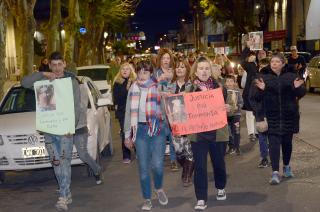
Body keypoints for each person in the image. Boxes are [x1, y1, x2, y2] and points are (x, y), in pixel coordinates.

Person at [21, 51, 82, 211]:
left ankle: (63, 195)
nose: (56, 68)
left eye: (59, 64)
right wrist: (42, 74)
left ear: (64, 64)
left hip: (65, 130)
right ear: (49, 65)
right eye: (53, 65)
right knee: (56, 163)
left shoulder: (71, 80)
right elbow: (24, 82)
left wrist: (71, 127)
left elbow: (77, 107)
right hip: (49, 129)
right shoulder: (43, 78)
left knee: (64, 162)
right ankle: (66, 191)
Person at [251, 53, 306, 185]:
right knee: (274, 144)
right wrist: (261, 90)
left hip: (289, 115)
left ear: (283, 63)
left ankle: (286, 166)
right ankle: (275, 172)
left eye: (277, 61)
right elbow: (255, 97)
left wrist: (298, 88)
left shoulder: (292, 76)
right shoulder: (263, 77)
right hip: (272, 116)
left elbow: (300, 93)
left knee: (287, 144)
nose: (274, 63)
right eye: (272, 61)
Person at [124, 60, 168, 211]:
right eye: (140, 72)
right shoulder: (133, 88)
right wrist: (127, 135)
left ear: (151, 73)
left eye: (146, 72)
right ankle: (147, 198)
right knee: (143, 168)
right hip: (140, 130)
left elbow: (166, 108)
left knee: (158, 165)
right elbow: (128, 113)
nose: (142, 75)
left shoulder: (157, 87)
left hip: (157, 129)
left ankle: (159, 188)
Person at [190, 56, 228, 210]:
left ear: (211, 70)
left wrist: (228, 108)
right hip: (198, 134)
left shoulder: (220, 87)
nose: (204, 71)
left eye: (207, 68)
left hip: (217, 132)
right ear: (196, 71)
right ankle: (201, 198)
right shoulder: (189, 89)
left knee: (218, 163)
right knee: (199, 166)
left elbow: (229, 106)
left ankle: (220, 187)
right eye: (201, 68)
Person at [170, 57, 194, 186]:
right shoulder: (169, 85)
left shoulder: (193, 85)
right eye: (177, 67)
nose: (179, 69)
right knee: (179, 152)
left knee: (190, 151)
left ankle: (187, 176)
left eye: (182, 67)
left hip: (190, 124)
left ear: (187, 69)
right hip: (175, 125)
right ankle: (186, 168)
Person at [154, 48, 179, 171]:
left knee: (173, 135)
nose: (166, 60)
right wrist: (160, 85)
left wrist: (170, 89)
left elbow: (177, 87)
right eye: (163, 58)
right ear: (160, 60)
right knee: (162, 135)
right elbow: (152, 90)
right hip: (160, 109)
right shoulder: (156, 73)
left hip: (173, 107)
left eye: (168, 58)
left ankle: (174, 160)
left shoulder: (174, 71)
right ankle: (159, 160)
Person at [74, 83, 103, 185]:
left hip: (78, 126)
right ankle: (63, 187)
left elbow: (82, 107)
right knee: (62, 157)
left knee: (82, 154)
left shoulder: (81, 87)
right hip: (61, 128)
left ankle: (96, 169)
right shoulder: (56, 87)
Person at [112, 62, 136, 164]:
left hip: (134, 110)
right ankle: (126, 155)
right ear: (120, 71)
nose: (125, 71)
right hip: (123, 111)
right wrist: (126, 88)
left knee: (135, 131)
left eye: (127, 69)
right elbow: (117, 98)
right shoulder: (117, 83)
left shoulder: (135, 82)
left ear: (131, 71)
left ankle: (138, 150)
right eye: (123, 69)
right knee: (125, 132)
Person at [250, 57, 271, 168]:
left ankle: (273, 155)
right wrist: (256, 110)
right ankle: (264, 158)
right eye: (262, 67)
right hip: (260, 114)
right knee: (262, 137)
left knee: (272, 137)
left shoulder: (273, 80)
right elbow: (251, 98)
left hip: (272, 114)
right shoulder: (255, 80)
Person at [241, 44, 258, 142]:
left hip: (260, 92)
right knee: (250, 113)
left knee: (258, 113)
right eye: (252, 55)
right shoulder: (249, 65)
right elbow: (242, 60)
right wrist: (247, 47)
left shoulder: (263, 64)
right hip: (249, 92)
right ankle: (251, 133)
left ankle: (257, 132)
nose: (254, 56)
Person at [225, 75, 243, 155]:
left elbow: (241, 102)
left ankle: (237, 147)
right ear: (225, 83)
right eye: (227, 81)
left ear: (234, 82)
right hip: (226, 115)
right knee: (228, 132)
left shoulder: (237, 91)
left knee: (236, 130)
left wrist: (238, 106)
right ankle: (231, 146)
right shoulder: (223, 91)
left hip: (236, 114)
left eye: (231, 81)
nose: (229, 83)